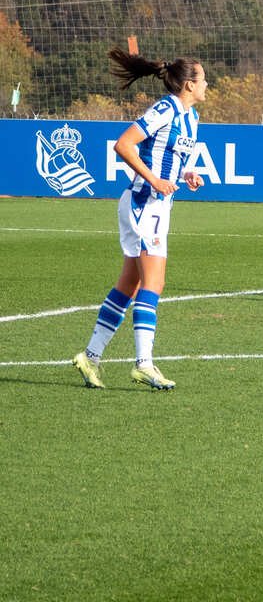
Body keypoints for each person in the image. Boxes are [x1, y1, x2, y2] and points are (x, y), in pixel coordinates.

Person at [72, 47, 207, 390]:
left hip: (158, 206)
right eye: (203, 79)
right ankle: (144, 364)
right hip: (144, 204)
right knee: (154, 283)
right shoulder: (166, 109)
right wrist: (154, 180)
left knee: (129, 285)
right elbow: (124, 144)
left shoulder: (191, 118)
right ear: (189, 85)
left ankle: (90, 356)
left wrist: (188, 174)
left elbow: (172, 157)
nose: (208, 84)